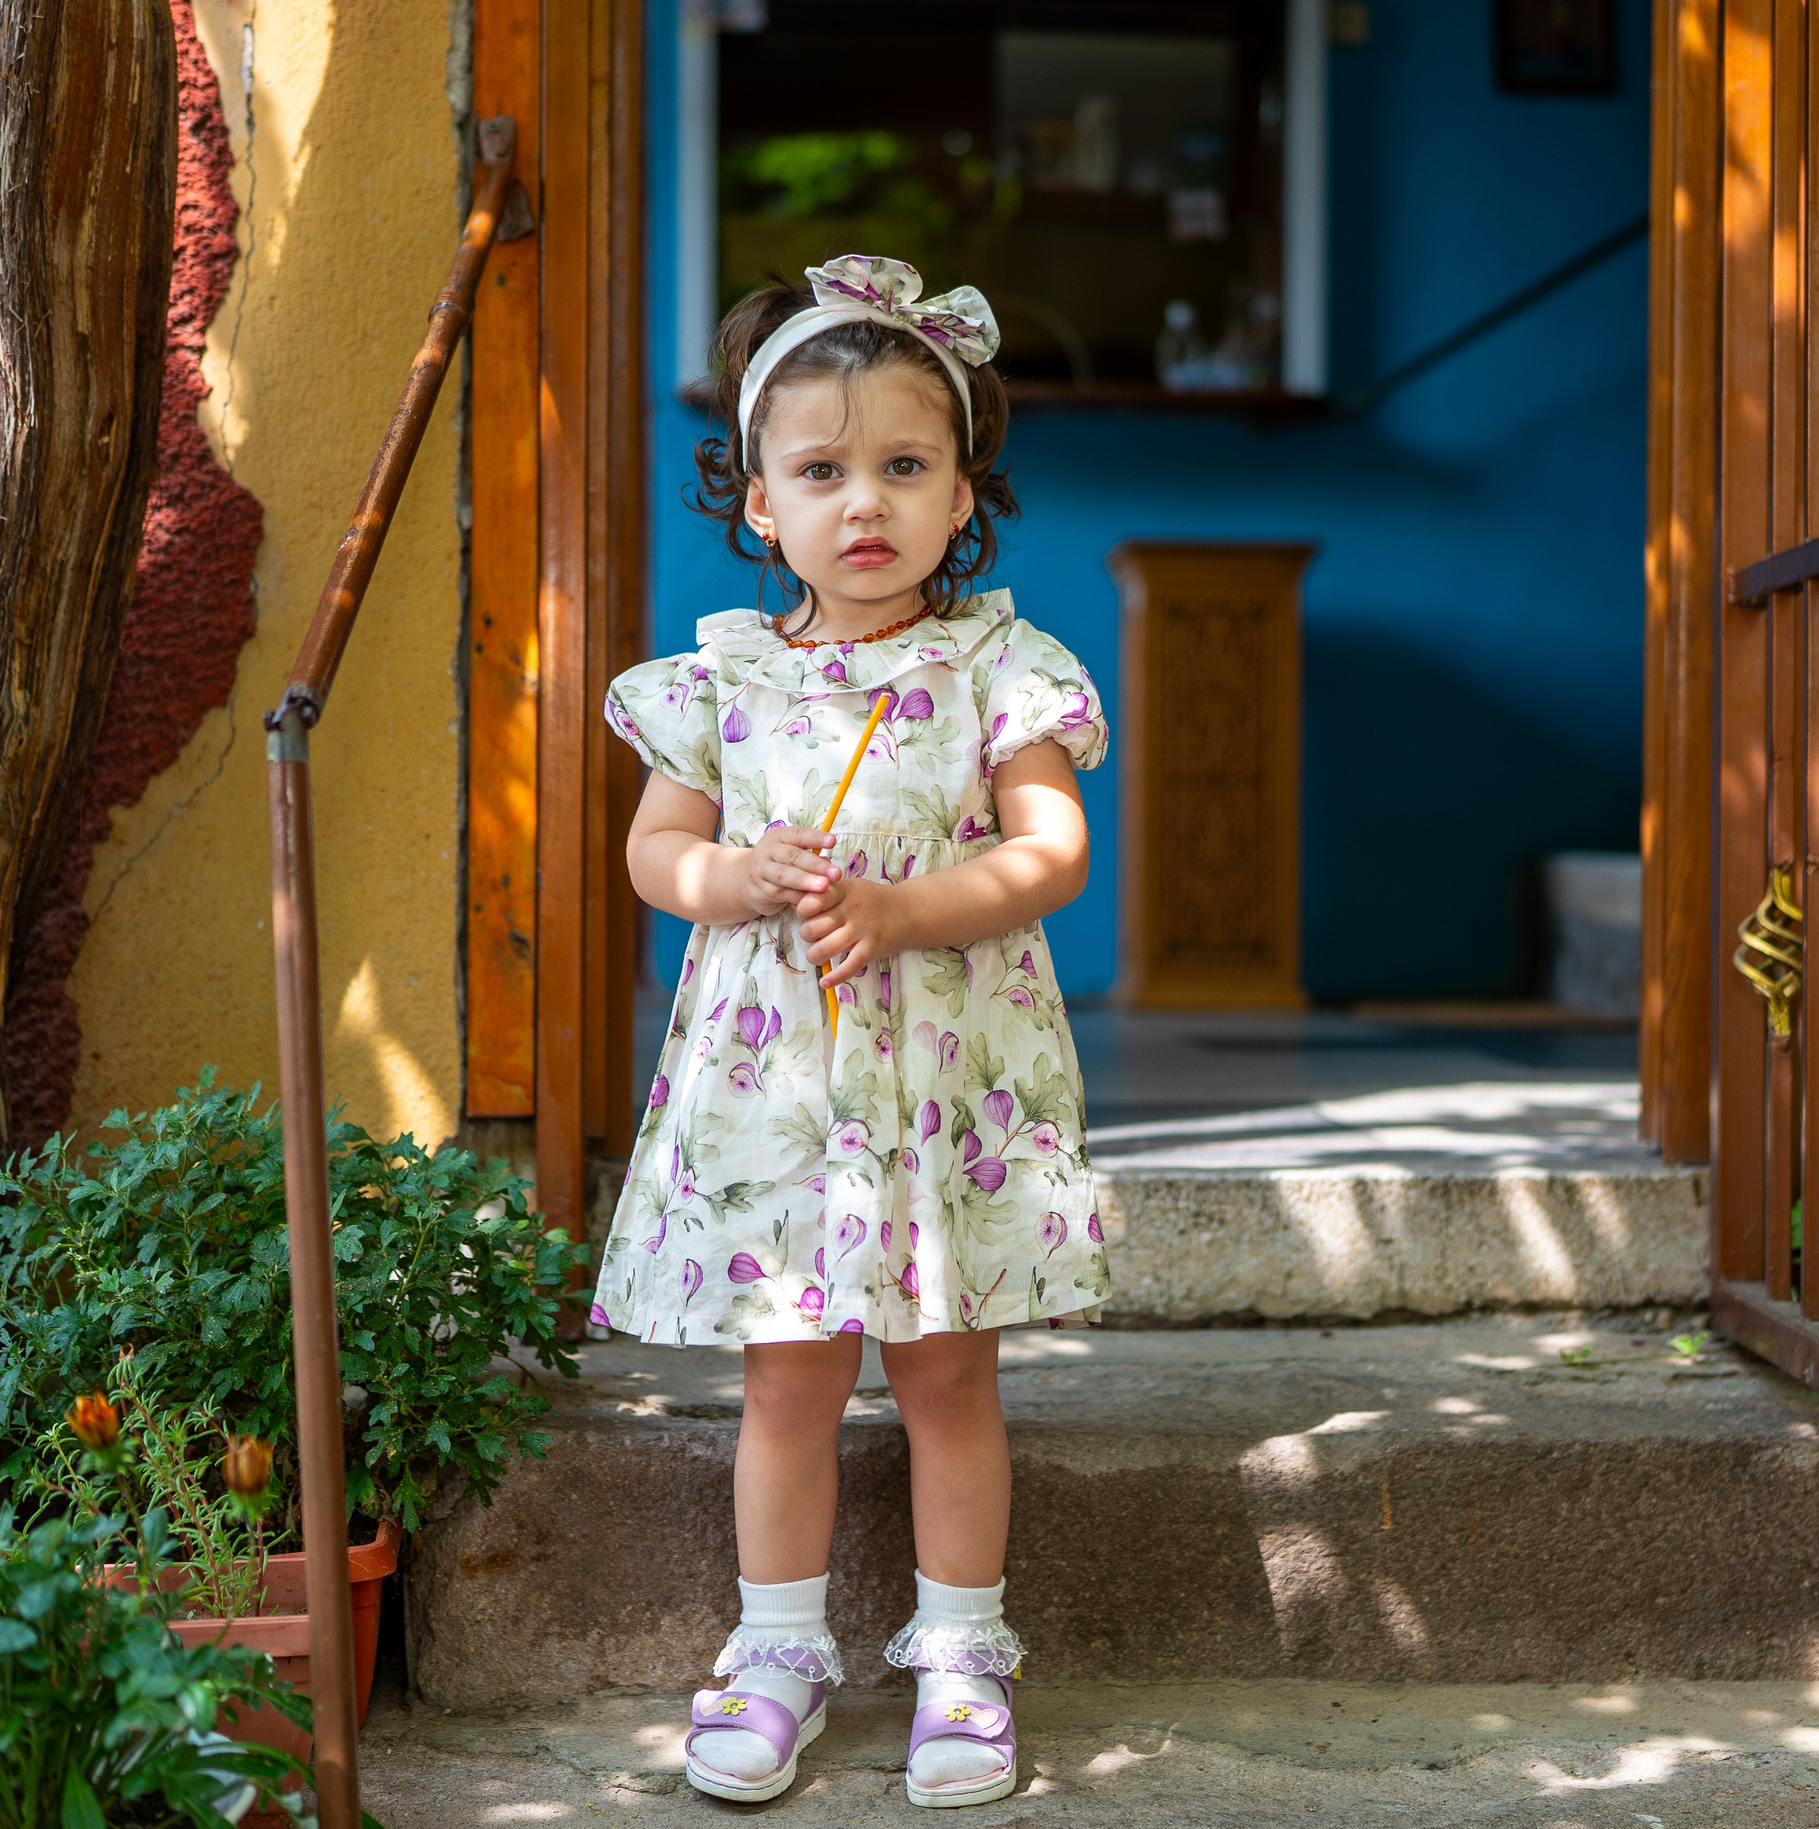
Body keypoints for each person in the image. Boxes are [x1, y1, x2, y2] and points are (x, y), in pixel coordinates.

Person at [595, 255, 1110, 1810]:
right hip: (784, 1096)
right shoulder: (719, 681)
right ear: (760, 502)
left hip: (947, 1088)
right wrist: (726, 876)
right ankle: (777, 1648)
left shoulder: (998, 669)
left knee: (950, 1374)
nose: (864, 502)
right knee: (788, 1381)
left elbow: (1051, 853)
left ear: (964, 494)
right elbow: (651, 854)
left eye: (905, 464)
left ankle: (962, 1652)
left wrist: (902, 911)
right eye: (821, 471)